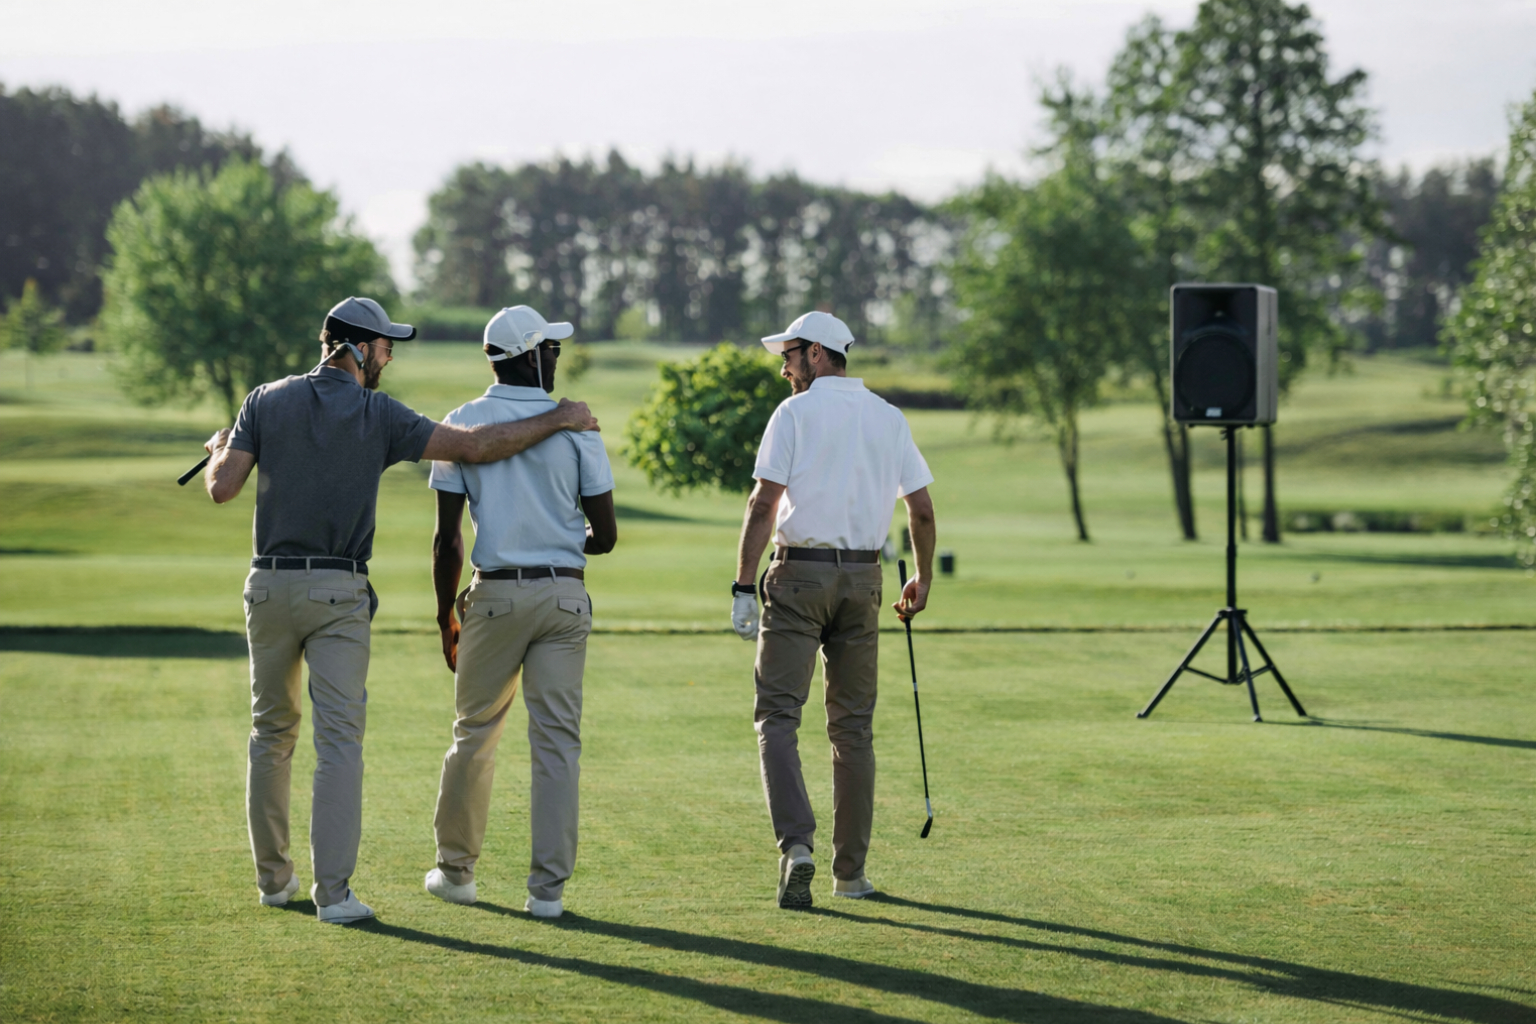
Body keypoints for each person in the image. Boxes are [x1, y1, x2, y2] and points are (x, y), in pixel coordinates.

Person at [201, 296, 599, 925]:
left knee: (270, 734)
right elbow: (476, 446)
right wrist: (560, 417)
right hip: (338, 593)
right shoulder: (378, 413)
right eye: (386, 347)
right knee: (338, 744)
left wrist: (220, 447)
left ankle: (274, 883)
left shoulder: (263, 400)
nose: (388, 358)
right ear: (358, 349)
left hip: (268, 588)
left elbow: (223, 487)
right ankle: (334, 896)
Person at [731, 310, 938, 909]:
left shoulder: (793, 414)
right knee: (852, 728)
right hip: (865, 581)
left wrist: (742, 586)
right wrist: (923, 577)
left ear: (817, 353)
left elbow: (763, 503)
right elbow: (921, 510)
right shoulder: (888, 416)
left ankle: (797, 846)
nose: (784, 368)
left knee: (778, 716)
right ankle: (851, 876)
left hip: (798, 577)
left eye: (789, 355)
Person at [423, 305, 616, 920]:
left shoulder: (460, 422)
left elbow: (447, 540)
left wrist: (444, 616)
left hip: (495, 597)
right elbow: (606, 536)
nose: (557, 356)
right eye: (550, 348)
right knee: (557, 744)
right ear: (530, 355)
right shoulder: (578, 425)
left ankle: (456, 874)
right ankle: (547, 893)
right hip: (563, 597)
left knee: (474, 733)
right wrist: (560, 540)